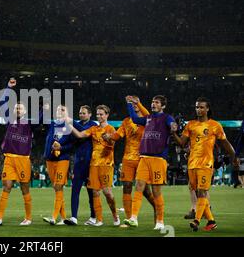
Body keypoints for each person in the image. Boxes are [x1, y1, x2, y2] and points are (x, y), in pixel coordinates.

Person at [172, 97, 239, 231]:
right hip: (192, 164)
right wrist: (173, 132)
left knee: (202, 191)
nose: (199, 109)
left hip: (206, 163)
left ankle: (196, 220)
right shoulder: (190, 124)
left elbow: (225, 143)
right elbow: (182, 143)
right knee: (197, 192)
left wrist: (234, 157)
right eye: (197, 107)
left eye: (202, 107)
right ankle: (211, 221)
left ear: (207, 109)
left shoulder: (215, 125)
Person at [0, 78, 43, 226]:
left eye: (20, 108)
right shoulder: (9, 119)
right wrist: (8, 87)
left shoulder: (30, 123)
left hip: (23, 160)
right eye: (16, 108)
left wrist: (43, 107)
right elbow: (2, 102)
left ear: (26, 111)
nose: (18, 109)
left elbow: (40, 119)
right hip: (9, 159)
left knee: (24, 188)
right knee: (6, 187)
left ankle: (28, 218)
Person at [122, 95, 177, 230]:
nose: (153, 104)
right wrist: (130, 104)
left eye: (157, 102)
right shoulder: (147, 118)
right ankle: (134, 218)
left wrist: (174, 126)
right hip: (144, 158)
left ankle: (160, 221)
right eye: (152, 102)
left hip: (158, 159)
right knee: (139, 186)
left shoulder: (166, 117)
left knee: (156, 192)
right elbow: (134, 119)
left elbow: (172, 124)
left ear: (163, 106)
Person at [102, 96, 156, 226]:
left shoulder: (147, 119)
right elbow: (117, 136)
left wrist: (137, 102)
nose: (134, 105)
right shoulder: (126, 121)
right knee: (126, 188)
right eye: (132, 104)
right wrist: (109, 137)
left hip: (143, 158)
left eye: (136, 103)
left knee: (146, 191)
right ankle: (129, 218)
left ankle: (157, 208)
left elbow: (148, 114)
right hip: (128, 159)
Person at [68, 105, 120, 227]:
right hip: (93, 165)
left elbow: (113, 144)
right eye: (98, 114)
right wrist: (70, 126)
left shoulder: (111, 129)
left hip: (106, 165)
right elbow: (80, 135)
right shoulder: (94, 129)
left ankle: (115, 215)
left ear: (107, 115)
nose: (99, 116)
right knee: (95, 192)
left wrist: (109, 139)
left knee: (108, 193)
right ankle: (99, 220)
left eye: (101, 114)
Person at [63, 105, 97, 226]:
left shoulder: (93, 125)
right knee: (75, 190)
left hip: (89, 163)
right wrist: (60, 146)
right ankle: (74, 218)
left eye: (84, 113)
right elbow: (71, 143)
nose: (81, 115)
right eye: (80, 113)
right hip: (78, 163)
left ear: (90, 114)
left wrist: (70, 121)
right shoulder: (76, 125)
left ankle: (93, 217)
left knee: (91, 191)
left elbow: (82, 132)